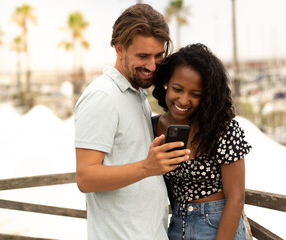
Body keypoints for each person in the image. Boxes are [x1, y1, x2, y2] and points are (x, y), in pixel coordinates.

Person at [74, 3, 191, 240]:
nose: (152, 65)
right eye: (143, 56)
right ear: (119, 49)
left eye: (158, 55)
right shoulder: (103, 96)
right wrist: (148, 167)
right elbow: (85, 178)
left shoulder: (136, 94)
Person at [152, 43, 252, 240]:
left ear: (207, 96)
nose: (183, 100)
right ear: (166, 83)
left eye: (195, 94)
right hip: (176, 227)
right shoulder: (156, 127)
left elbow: (236, 198)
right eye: (177, 89)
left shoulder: (222, 129)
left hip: (217, 226)